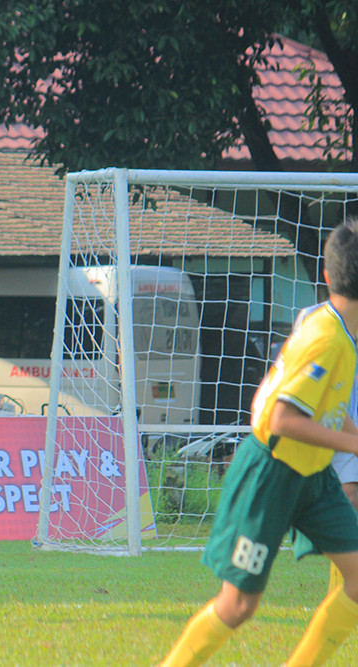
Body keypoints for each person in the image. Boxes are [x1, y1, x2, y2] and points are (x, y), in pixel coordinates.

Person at [160, 220, 358, 666]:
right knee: (238, 606)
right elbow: (281, 419)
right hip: (269, 473)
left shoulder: (326, 322)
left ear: (327, 276)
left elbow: (323, 407)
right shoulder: (327, 338)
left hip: (312, 476)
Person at [293, 303, 358, 595]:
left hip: (351, 417)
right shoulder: (311, 317)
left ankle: (342, 591)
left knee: (349, 496)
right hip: (317, 422)